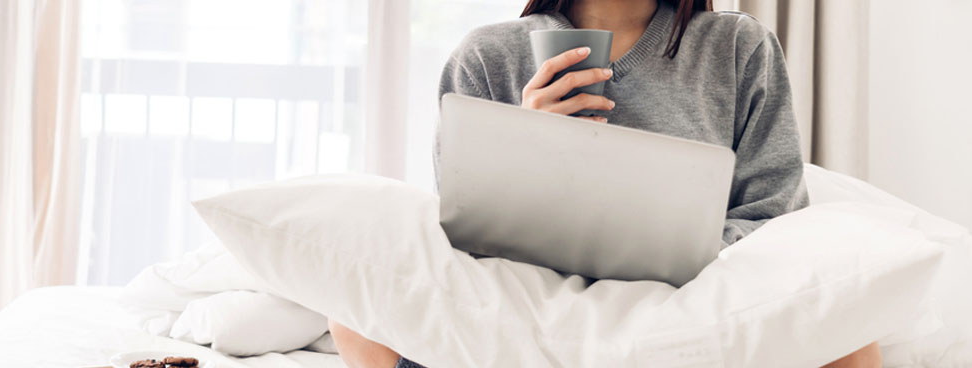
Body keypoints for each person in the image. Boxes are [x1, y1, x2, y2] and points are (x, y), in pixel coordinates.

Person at [330, 0, 881, 366]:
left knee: (853, 336)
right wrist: (526, 143)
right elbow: (462, 233)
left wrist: (683, 256)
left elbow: (774, 213)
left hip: (689, 303)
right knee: (348, 305)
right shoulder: (487, 57)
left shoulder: (738, 48)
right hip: (527, 302)